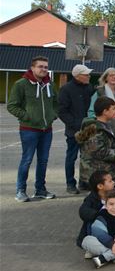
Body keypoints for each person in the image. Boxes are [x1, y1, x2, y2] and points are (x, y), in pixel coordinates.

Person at [8, 56, 59, 202]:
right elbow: (12, 105)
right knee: (27, 160)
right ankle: (20, 191)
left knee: (43, 161)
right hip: (29, 129)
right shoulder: (21, 84)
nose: (44, 69)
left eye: (45, 67)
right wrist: (27, 117)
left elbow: (57, 103)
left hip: (47, 130)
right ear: (32, 68)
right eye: (40, 66)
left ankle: (40, 190)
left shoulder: (50, 85)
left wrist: (53, 115)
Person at [76, 96, 115, 186]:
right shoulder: (95, 130)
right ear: (105, 112)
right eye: (113, 109)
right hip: (99, 176)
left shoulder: (107, 125)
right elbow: (100, 151)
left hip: (107, 173)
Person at [58, 64, 94, 194]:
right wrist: (75, 124)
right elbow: (62, 111)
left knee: (87, 158)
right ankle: (70, 184)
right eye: (86, 74)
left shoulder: (89, 88)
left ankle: (84, 182)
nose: (88, 76)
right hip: (74, 130)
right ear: (77, 76)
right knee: (71, 157)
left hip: (89, 130)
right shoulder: (66, 89)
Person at [76, 169, 115, 250]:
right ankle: (97, 247)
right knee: (92, 223)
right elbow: (83, 211)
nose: (114, 182)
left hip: (112, 227)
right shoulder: (92, 199)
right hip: (97, 229)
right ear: (100, 186)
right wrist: (99, 215)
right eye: (110, 181)